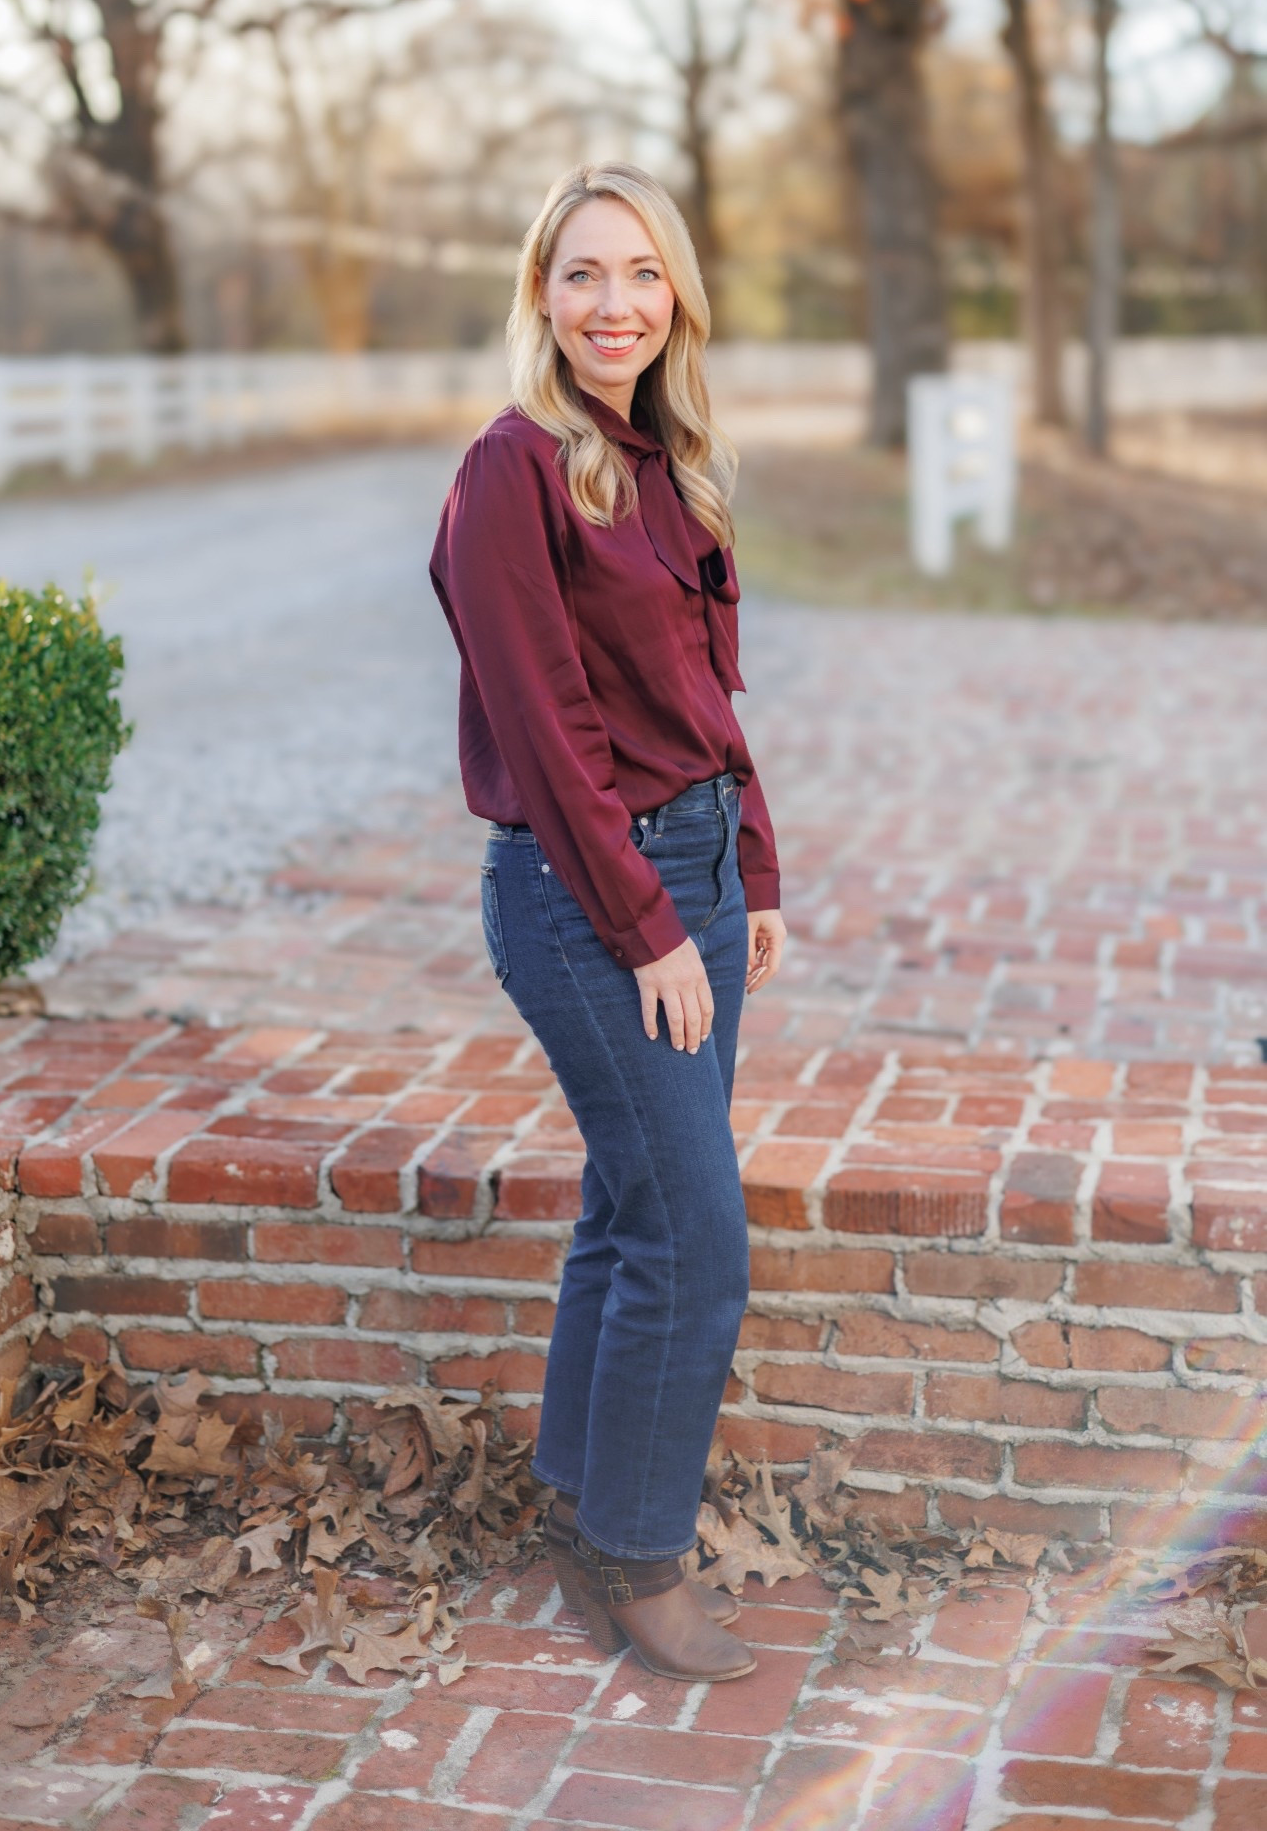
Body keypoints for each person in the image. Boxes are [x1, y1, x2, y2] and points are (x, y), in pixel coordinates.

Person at [430, 161, 785, 1683]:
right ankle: (640, 1559)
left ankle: (578, 1497)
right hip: (591, 900)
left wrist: (750, 871)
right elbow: (547, 724)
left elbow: (706, 698)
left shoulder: (664, 460)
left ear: (676, 296)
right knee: (696, 1245)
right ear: (539, 295)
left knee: (629, 1209)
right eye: (582, 274)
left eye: (641, 275)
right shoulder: (509, 471)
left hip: (694, 873)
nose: (614, 305)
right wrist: (644, 924)